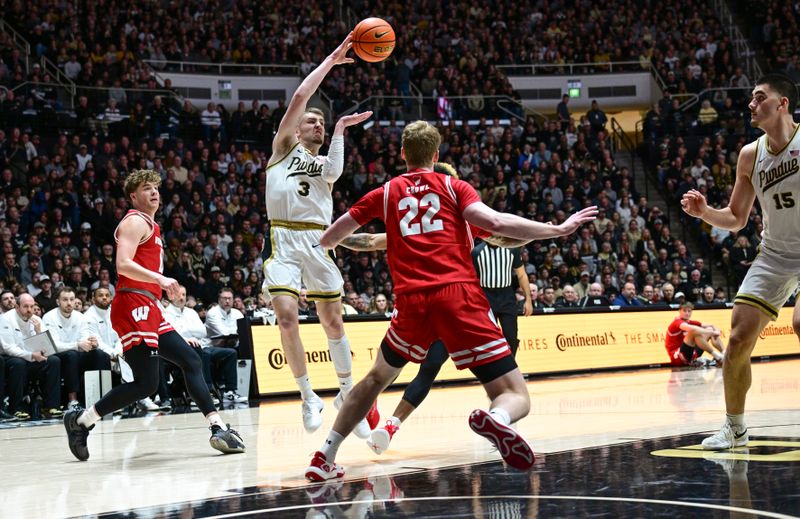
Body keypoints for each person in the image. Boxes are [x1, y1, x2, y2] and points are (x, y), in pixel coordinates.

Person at [304, 120, 597, 480]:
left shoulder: (385, 193)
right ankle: (497, 418)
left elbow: (334, 236)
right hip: (457, 296)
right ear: (437, 154)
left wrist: (313, 243)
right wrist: (556, 229)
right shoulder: (454, 189)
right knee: (515, 393)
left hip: (411, 302)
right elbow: (498, 224)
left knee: (375, 379)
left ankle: (324, 456)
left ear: (402, 154)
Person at [63, 169, 244, 461]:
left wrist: (157, 287)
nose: (154, 193)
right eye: (147, 188)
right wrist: (161, 280)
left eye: (156, 188)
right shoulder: (134, 221)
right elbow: (122, 265)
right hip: (133, 304)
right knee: (150, 380)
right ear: (133, 196)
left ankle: (217, 426)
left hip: (148, 306)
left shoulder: (152, 226)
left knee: (188, 362)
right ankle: (82, 420)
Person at [263, 32, 377, 436]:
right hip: (283, 241)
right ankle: (308, 395)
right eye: (312, 120)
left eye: (321, 123)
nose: (316, 124)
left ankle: (346, 391)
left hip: (318, 241)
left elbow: (335, 170)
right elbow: (299, 99)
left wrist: (343, 128)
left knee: (332, 323)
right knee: (287, 317)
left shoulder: (326, 165)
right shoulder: (282, 149)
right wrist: (331, 60)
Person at [681, 73, 800, 450]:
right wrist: (704, 213)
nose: (751, 103)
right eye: (751, 97)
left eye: (759, 97)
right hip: (775, 254)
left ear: (782, 103)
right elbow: (736, 218)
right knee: (736, 340)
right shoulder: (750, 154)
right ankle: (735, 429)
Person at [83, 287, 161, 411]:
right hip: (99, 354)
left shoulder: (116, 311)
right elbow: (96, 341)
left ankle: (142, 398)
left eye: (107, 295)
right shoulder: (88, 316)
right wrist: (114, 354)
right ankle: (117, 402)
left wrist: (120, 351)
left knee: (138, 355)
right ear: (93, 299)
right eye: (100, 295)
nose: (104, 298)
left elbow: (122, 334)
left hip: (120, 352)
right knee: (104, 356)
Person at [166, 286, 247, 404]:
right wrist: (190, 334)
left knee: (231, 353)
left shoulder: (191, 312)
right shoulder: (167, 313)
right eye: (179, 295)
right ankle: (206, 392)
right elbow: (174, 334)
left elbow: (202, 332)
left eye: (184, 295)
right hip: (178, 350)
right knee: (204, 354)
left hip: (200, 346)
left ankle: (230, 392)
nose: (182, 298)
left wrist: (186, 331)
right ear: (171, 296)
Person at [43, 286, 110, 410]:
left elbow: (84, 337)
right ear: (58, 301)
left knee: (100, 354)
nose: (69, 303)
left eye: (72, 299)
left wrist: (91, 343)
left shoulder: (80, 316)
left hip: (76, 353)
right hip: (58, 356)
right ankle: (72, 401)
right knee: (71, 355)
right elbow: (53, 345)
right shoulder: (49, 317)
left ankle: (104, 398)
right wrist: (77, 345)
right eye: (65, 299)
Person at [0, 294, 63, 420]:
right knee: (19, 364)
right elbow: (8, 348)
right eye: (25, 307)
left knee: (53, 361)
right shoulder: (5, 319)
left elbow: (48, 348)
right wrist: (30, 355)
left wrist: (39, 332)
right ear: (17, 307)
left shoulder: (36, 320)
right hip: (10, 358)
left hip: (31, 357)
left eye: (32, 306)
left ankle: (51, 406)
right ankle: (16, 408)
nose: (29, 310)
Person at [665, 302, 725, 367]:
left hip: (690, 353)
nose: (687, 313)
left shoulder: (690, 322)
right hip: (678, 357)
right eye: (684, 311)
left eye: (689, 311)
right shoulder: (676, 322)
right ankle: (717, 356)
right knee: (694, 331)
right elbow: (693, 329)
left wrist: (715, 330)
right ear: (679, 311)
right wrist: (712, 332)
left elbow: (710, 325)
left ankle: (724, 353)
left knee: (710, 329)